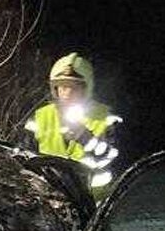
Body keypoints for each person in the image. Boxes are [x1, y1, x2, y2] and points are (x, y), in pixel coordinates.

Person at [24, 52, 122, 189]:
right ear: (55, 89)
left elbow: (114, 161)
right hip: (49, 202)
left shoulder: (106, 119)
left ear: (86, 89)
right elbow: (23, 159)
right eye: (63, 87)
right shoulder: (39, 118)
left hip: (95, 203)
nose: (67, 94)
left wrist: (86, 139)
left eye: (73, 88)